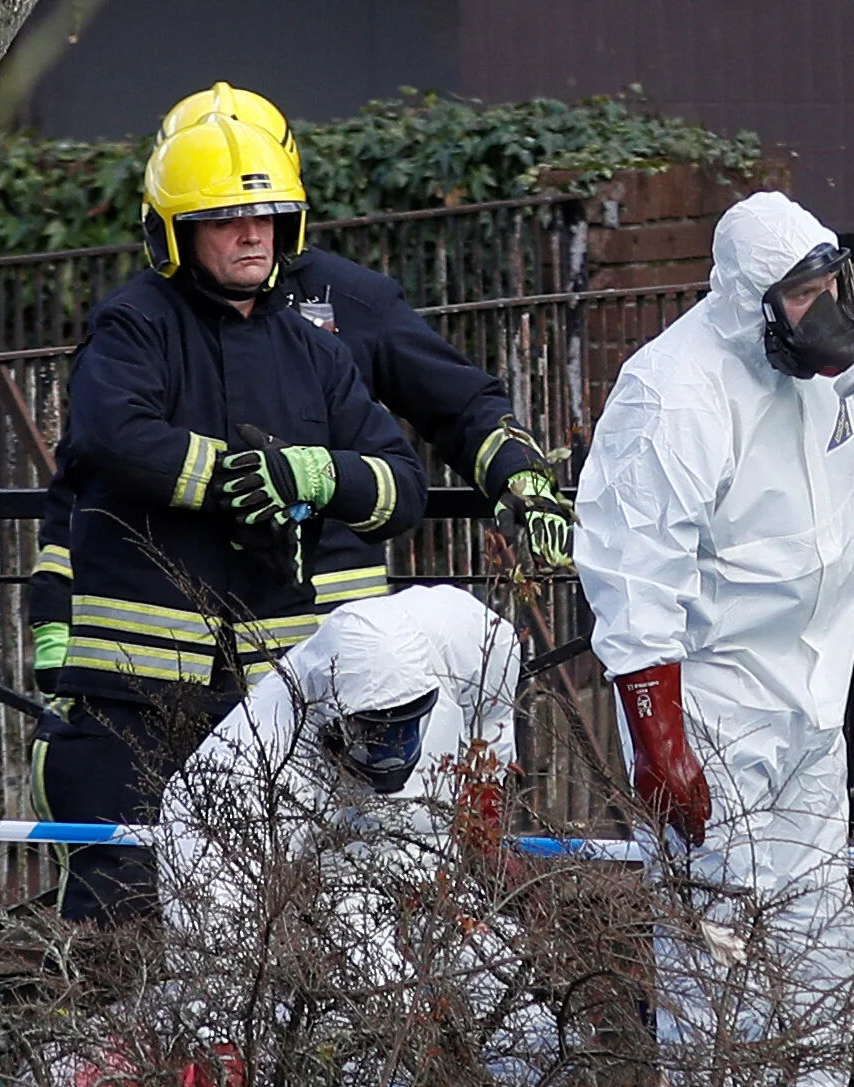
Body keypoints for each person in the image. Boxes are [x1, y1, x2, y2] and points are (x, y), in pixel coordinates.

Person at [28, 82, 573, 701]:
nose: (247, 231)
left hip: (329, 628)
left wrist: (519, 475)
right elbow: (92, 461)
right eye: (219, 212)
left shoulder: (353, 301)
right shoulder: (145, 319)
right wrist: (54, 612)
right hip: (175, 645)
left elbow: (459, 403)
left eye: (257, 210)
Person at [34, 107, 428, 927]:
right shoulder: (133, 325)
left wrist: (318, 473)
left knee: (271, 918)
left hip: (279, 697)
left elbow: (401, 484)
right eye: (225, 220)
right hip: (135, 694)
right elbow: (115, 437)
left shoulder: (317, 352)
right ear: (174, 233)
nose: (252, 236)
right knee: (123, 916)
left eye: (267, 218)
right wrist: (230, 478)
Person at [573, 191, 854, 1087]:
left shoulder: (845, 371)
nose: (826, 306)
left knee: (817, 934)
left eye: (831, 281)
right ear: (750, 299)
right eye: (801, 293)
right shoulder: (675, 389)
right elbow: (634, 564)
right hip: (713, 701)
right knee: (716, 947)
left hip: (811, 697)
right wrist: (657, 730)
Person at [156, 584, 547, 1087]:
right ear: (333, 718)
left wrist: (483, 837)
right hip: (334, 888)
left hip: (433, 863)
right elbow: (215, 936)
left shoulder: (473, 636)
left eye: (405, 729)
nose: (393, 752)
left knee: (527, 1018)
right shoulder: (239, 772)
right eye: (375, 735)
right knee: (370, 1036)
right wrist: (223, 1047)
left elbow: (490, 736)